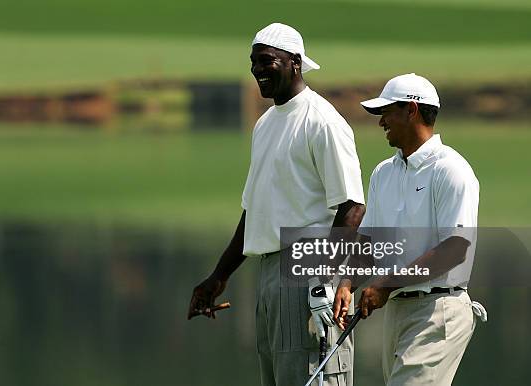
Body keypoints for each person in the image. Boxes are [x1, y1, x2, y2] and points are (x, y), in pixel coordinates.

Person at [187, 22, 365, 386]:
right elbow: (254, 209)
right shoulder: (265, 124)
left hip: (307, 269)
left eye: (266, 61)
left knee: (312, 377)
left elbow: (352, 208)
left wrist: (323, 281)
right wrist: (218, 276)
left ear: (295, 63)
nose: (256, 70)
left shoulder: (323, 121)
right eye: (253, 62)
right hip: (270, 274)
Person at [332, 73, 487, 385]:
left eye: (386, 112)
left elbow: (454, 250)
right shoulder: (383, 174)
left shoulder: (451, 170)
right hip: (396, 312)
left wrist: (386, 286)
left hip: (438, 310)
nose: (380, 122)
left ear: (411, 110)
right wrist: (348, 283)